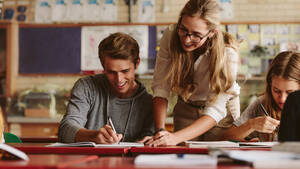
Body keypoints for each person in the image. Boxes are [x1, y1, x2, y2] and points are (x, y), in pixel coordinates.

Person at [147, 0, 240, 146]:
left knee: (217, 158)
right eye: (183, 29)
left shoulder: (228, 53)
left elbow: (215, 110)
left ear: (212, 32)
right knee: (182, 156)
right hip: (187, 106)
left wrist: (174, 137)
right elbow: (161, 87)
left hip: (220, 114)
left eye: (196, 35)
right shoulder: (171, 35)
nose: (186, 39)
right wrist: (160, 130)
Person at [58, 32, 155, 143]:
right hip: (88, 160)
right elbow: (65, 129)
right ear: (103, 65)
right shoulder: (86, 87)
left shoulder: (150, 103)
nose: (119, 79)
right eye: (111, 72)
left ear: (137, 63)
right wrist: (92, 136)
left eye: (125, 71)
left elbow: (149, 139)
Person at [223, 51, 300, 141]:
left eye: (290, 93)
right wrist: (251, 125)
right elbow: (224, 138)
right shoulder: (261, 103)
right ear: (270, 84)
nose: (282, 99)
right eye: (276, 90)